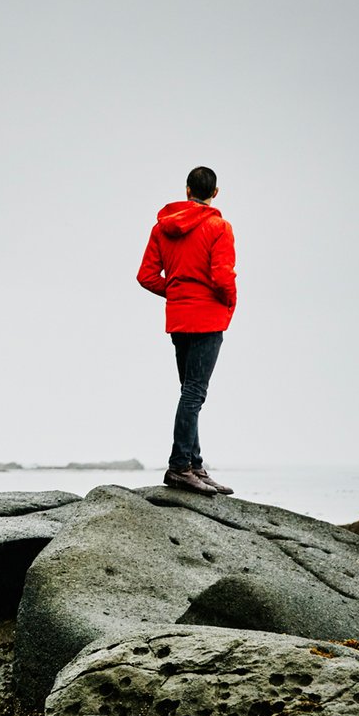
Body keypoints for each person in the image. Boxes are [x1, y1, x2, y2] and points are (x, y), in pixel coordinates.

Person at [136, 166, 237, 495]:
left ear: (187, 189)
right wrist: (229, 304)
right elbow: (223, 278)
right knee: (194, 393)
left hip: (179, 318)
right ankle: (180, 466)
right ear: (215, 193)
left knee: (189, 392)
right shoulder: (219, 227)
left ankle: (194, 463)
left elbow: (147, 276)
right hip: (208, 317)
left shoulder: (161, 229)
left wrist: (178, 292)